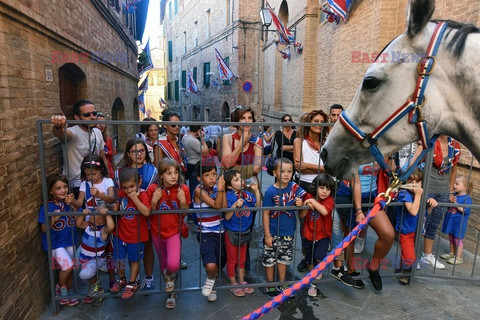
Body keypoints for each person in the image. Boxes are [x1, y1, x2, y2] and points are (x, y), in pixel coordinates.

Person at [336, 169, 394, 291]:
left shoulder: (380, 152)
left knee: (388, 234)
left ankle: (373, 267)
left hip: (370, 197)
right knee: (349, 237)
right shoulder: (355, 150)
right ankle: (351, 271)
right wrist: (358, 210)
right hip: (348, 196)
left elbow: (392, 170)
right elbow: (355, 182)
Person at [412, 135, 461, 269]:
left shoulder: (454, 146)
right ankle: (410, 257)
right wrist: (418, 186)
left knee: (433, 224)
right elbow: (414, 164)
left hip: (443, 192)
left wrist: (450, 191)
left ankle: (427, 255)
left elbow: (454, 170)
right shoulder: (430, 142)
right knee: (417, 222)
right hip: (426, 188)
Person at [147, 158, 191, 308]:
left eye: (176, 172)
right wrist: (154, 200)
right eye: (169, 173)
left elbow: (185, 213)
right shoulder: (153, 189)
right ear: (161, 175)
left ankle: (172, 275)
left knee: (173, 264)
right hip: (157, 232)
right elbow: (148, 213)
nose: (174, 176)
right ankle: (171, 294)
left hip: (173, 232)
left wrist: (183, 200)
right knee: (163, 263)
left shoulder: (183, 189)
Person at [116, 138, 158, 289]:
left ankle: (148, 276)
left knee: (147, 245)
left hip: (145, 212)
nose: (138, 154)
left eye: (142, 150)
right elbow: (118, 194)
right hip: (129, 216)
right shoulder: (120, 172)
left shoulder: (153, 170)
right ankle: (135, 276)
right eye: (134, 151)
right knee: (129, 246)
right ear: (128, 153)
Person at [262, 158, 306, 298]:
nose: (286, 174)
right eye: (282, 171)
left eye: (289, 171)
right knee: (269, 259)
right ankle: (270, 284)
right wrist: (267, 234)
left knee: (284, 258)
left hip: (288, 232)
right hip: (273, 232)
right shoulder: (270, 192)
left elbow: (303, 208)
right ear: (275, 172)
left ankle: (281, 282)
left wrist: (301, 203)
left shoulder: (295, 188)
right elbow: (266, 213)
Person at [293, 110, 328, 272]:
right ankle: (306, 257)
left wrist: (309, 166)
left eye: (322, 121)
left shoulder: (327, 143)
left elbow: (331, 168)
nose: (319, 123)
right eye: (315, 120)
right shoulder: (299, 141)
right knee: (305, 225)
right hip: (305, 187)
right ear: (308, 122)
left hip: (324, 188)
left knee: (322, 223)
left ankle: (318, 255)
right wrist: (323, 169)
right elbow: (299, 167)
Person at [50, 100, 107, 197]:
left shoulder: (97, 132)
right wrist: (58, 126)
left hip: (96, 181)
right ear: (77, 117)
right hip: (77, 184)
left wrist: (106, 178)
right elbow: (62, 134)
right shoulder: (74, 132)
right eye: (87, 115)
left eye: (94, 113)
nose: (92, 117)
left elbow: (102, 157)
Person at [110, 168, 151, 299]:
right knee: (119, 258)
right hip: (120, 234)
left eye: (132, 187)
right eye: (126, 187)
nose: (129, 191)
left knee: (134, 260)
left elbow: (146, 212)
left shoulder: (143, 195)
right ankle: (121, 279)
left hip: (136, 237)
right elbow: (118, 210)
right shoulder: (122, 195)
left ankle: (132, 283)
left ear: (139, 182)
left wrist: (135, 198)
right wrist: (115, 209)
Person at [38, 174, 78, 306]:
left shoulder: (68, 203)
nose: (63, 190)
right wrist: (53, 220)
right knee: (68, 267)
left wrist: (73, 204)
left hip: (70, 241)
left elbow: (79, 218)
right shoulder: (47, 207)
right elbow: (44, 229)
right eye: (58, 188)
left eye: (65, 187)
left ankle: (69, 290)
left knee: (71, 269)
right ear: (51, 191)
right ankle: (61, 289)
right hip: (56, 244)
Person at [222, 169, 260, 297]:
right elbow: (226, 217)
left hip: (245, 231)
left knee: (242, 259)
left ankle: (241, 281)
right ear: (228, 185)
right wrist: (234, 206)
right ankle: (233, 283)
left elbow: (258, 206)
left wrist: (256, 190)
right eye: (236, 179)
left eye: (240, 178)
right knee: (232, 259)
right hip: (232, 232)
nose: (241, 181)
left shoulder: (247, 194)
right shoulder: (227, 196)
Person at [192, 161, 225, 302]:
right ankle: (210, 281)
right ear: (200, 178)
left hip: (222, 232)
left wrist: (220, 189)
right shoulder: (198, 190)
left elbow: (223, 206)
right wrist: (222, 190)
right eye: (207, 175)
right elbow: (217, 205)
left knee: (219, 263)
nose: (212, 178)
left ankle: (213, 278)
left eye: (214, 174)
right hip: (206, 233)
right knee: (211, 264)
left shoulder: (217, 188)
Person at [299, 173, 335, 297]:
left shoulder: (329, 200)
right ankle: (312, 283)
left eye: (328, 189)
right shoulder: (308, 196)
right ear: (316, 187)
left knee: (319, 257)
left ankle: (317, 270)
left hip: (323, 235)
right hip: (308, 234)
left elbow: (324, 211)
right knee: (309, 259)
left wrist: (312, 202)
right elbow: (302, 215)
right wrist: (306, 206)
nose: (325, 191)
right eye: (322, 188)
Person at [76, 205, 115, 303]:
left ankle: (95, 286)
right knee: (87, 275)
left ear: (102, 221)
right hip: (84, 257)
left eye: (96, 214)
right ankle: (95, 289)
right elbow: (79, 224)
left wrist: (108, 215)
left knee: (84, 275)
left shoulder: (103, 231)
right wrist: (83, 214)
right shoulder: (89, 225)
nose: (92, 215)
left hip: (96, 259)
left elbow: (111, 227)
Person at [394, 170, 424, 285]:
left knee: (409, 252)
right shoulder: (404, 194)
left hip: (417, 229)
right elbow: (413, 211)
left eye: (417, 181)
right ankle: (405, 272)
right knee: (410, 257)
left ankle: (401, 268)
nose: (414, 184)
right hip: (406, 230)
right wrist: (418, 195)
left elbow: (425, 211)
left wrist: (431, 202)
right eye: (410, 181)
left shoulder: (421, 194)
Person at [221, 106, 262, 180]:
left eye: (250, 118)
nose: (247, 121)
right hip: (230, 186)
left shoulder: (257, 141)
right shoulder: (227, 138)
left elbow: (256, 169)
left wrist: (233, 169)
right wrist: (242, 143)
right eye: (243, 118)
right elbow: (227, 164)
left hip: (250, 185)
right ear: (237, 121)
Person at [441, 175, 473, 265]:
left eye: (457, 184)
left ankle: (458, 258)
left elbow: (465, 211)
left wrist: (456, 204)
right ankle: (452, 253)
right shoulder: (454, 196)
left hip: (459, 223)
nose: (454, 185)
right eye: (454, 183)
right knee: (451, 237)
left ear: (465, 187)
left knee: (457, 239)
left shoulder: (467, 199)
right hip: (451, 221)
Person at [182, 125, 209, 198]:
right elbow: (205, 151)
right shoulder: (193, 140)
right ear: (199, 131)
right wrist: (202, 139)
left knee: (193, 186)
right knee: (196, 188)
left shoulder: (185, 136)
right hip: (195, 166)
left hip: (190, 164)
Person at [96, 112, 116, 179]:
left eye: (103, 123)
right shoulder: (93, 138)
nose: (101, 125)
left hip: (108, 170)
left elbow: (112, 159)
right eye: (98, 123)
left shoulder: (109, 139)